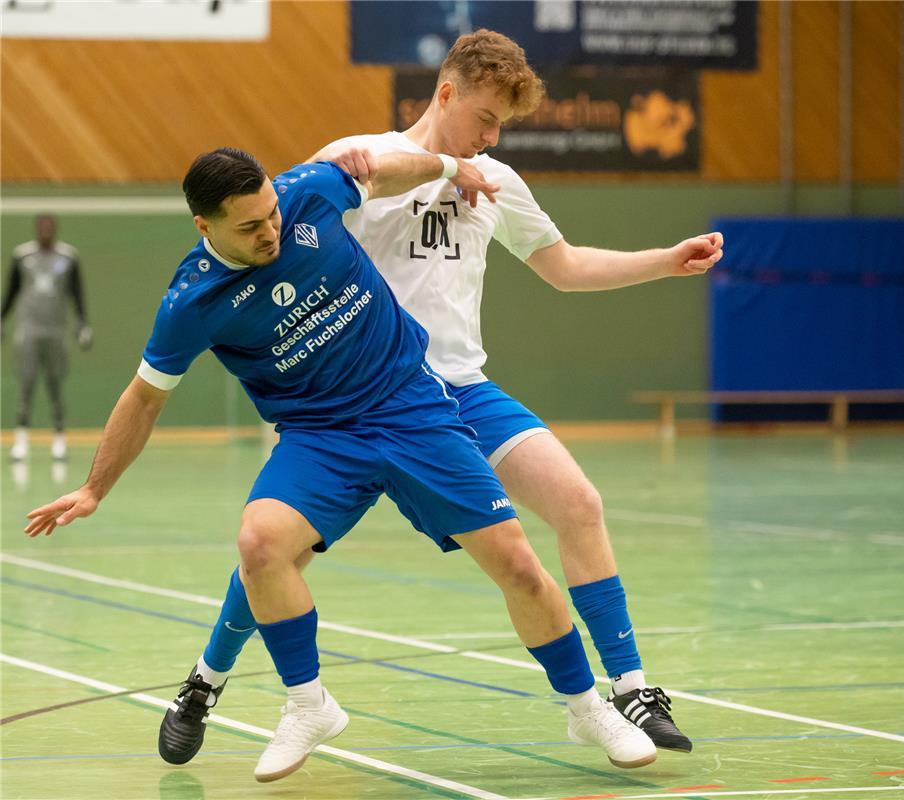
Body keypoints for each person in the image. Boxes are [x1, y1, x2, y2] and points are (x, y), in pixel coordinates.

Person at [25, 147, 658, 783]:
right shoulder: (191, 303)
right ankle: (309, 704)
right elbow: (143, 397)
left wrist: (444, 167)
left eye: (271, 215)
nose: (269, 231)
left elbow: (381, 172)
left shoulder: (310, 193)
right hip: (320, 436)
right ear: (205, 227)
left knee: (519, 566)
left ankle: (586, 707)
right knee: (260, 544)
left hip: (411, 407)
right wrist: (93, 488)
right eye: (249, 227)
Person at [312, 29, 720, 748]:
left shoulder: (497, 179)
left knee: (578, 503)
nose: (493, 136)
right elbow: (316, 192)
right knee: (276, 546)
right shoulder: (363, 156)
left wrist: (666, 260)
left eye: (503, 125)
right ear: (446, 92)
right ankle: (209, 681)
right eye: (486, 118)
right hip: (374, 401)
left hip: (464, 391)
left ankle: (629, 691)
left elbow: (564, 266)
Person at [1, 214, 92, 461]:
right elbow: (11, 290)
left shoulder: (68, 257)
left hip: (56, 332)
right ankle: (20, 442)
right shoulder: (23, 256)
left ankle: (59, 441)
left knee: (55, 385)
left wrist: (83, 324)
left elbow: (77, 293)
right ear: (36, 229)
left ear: (55, 229)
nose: (45, 231)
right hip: (28, 331)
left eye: (49, 226)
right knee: (26, 384)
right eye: (42, 226)